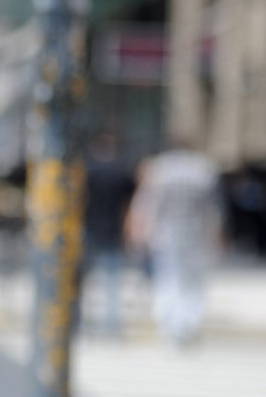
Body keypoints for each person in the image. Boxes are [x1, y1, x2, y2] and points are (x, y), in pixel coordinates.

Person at [127, 139, 223, 348]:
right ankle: (187, 324)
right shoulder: (203, 170)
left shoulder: (159, 169)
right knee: (192, 284)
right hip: (196, 236)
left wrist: (141, 233)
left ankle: (170, 326)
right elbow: (213, 209)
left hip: (165, 235)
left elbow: (147, 205)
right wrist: (216, 236)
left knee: (167, 280)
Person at [80, 132, 137, 336]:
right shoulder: (122, 172)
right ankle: (111, 327)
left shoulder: (89, 170)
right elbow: (129, 204)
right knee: (111, 283)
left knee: (81, 281)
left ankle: (77, 323)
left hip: (90, 228)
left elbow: (81, 200)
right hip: (113, 230)